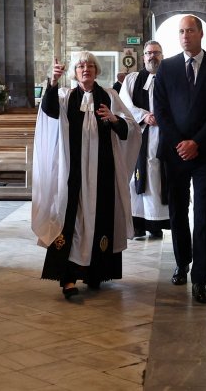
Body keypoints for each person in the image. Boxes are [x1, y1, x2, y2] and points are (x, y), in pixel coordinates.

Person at [32, 53, 141, 299]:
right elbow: (47, 113)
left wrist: (114, 120)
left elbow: (131, 129)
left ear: (96, 70)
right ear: (74, 72)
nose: (86, 69)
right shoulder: (65, 97)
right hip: (73, 173)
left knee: (100, 219)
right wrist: (52, 83)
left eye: (90, 65)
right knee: (72, 220)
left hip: (102, 173)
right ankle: (68, 278)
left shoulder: (110, 96)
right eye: (81, 66)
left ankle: (95, 274)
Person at [153, 15, 206, 304]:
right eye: (181, 32)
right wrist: (179, 143)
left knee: (203, 215)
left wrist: (196, 142)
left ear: (201, 34)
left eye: (190, 31)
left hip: (205, 153)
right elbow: (160, 110)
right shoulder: (168, 67)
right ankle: (182, 261)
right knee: (177, 212)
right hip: (174, 154)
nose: (185, 36)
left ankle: (200, 278)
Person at [119, 41, 169, 240]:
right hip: (139, 135)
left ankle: (155, 223)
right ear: (143, 57)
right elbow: (123, 104)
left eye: (156, 53)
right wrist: (144, 116)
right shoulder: (132, 79)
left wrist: (163, 117)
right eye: (148, 53)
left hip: (163, 135)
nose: (152, 57)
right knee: (136, 178)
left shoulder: (170, 77)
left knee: (157, 177)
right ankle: (137, 223)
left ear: (162, 56)